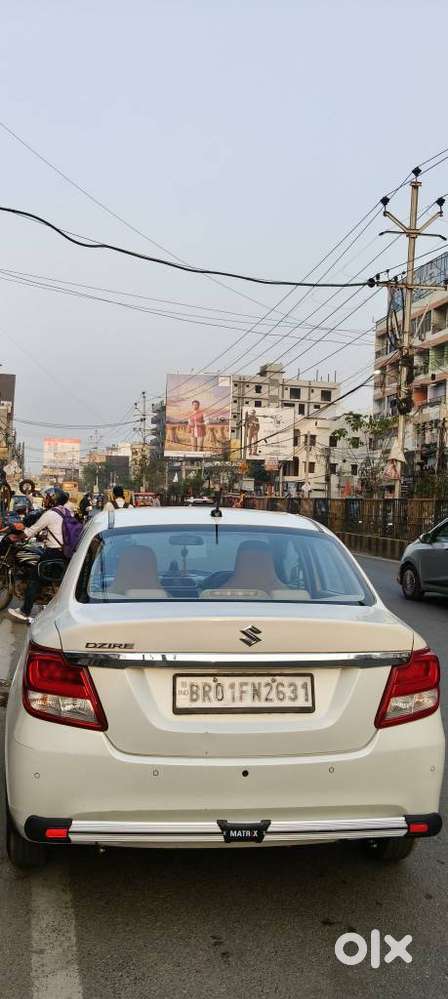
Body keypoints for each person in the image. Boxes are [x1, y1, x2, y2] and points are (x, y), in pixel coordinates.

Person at [8, 487, 72, 623]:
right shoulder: (66, 511)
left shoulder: (50, 513)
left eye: (48, 497)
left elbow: (31, 531)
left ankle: (25, 610)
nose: (45, 499)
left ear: (53, 499)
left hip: (53, 552)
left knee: (33, 578)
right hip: (64, 552)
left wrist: (17, 538)